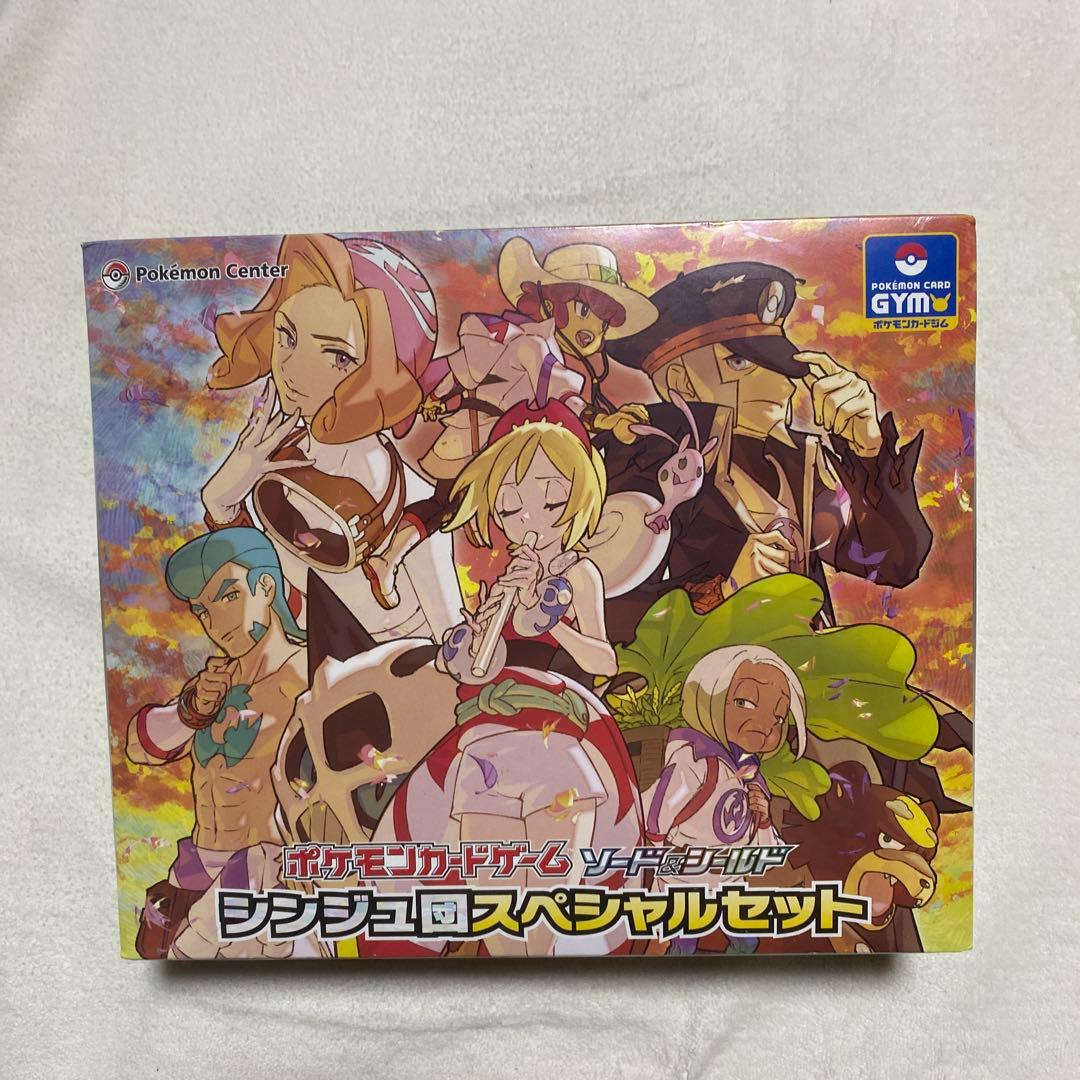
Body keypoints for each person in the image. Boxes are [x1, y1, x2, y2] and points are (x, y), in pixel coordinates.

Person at [373, 401, 643, 957]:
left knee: (549, 899)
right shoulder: (499, 581)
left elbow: (605, 663)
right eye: (512, 507)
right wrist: (489, 620)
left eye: (550, 501)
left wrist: (554, 623)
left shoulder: (579, 574)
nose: (529, 521)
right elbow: (476, 670)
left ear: (578, 500)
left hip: (560, 733)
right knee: (492, 898)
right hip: (488, 738)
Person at [602, 261, 934, 639]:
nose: (782, 385)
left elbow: (891, 563)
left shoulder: (793, 462)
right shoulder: (644, 457)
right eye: (741, 362)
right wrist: (722, 592)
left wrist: (869, 451)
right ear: (682, 383)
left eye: (776, 363)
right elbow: (601, 607)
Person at [201, 233, 460, 636]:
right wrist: (221, 505)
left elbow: (454, 648)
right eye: (287, 337)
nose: (292, 369)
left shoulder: (415, 508)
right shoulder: (276, 464)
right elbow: (277, 601)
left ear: (384, 373)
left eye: (338, 356)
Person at [126, 528, 311, 959]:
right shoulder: (214, 682)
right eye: (203, 610)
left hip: (261, 878)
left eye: (228, 596)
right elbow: (138, 748)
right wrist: (190, 711)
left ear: (266, 587)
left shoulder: (307, 676)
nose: (216, 622)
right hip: (192, 871)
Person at [417, 237, 659, 483]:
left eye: (604, 322)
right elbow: (559, 393)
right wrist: (603, 421)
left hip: (518, 459)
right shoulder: (531, 345)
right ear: (550, 304)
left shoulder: (558, 358)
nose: (595, 329)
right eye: (584, 311)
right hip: (479, 452)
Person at [641, 644, 808, 955]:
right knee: (681, 946)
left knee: (746, 942)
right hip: (684, 878)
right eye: (745, 702)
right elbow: (656, 819)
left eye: (778, 717)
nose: (766, 725)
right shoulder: (694, 759)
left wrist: (763, 818)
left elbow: (764, 848)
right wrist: (658, 867)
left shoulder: (751, 775)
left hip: (729, 878)